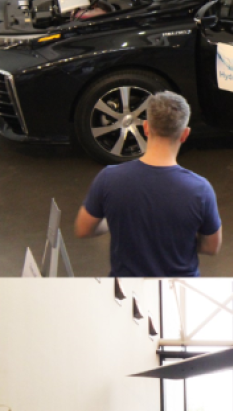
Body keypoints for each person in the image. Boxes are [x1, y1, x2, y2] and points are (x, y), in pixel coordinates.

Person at [74, 91, 222, 277]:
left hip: (126, 291)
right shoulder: (201, 189)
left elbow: (83, 229)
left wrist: (115, 221)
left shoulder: (109, 178)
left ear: (145, 127)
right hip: (180, 292)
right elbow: (211, 247)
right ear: (185, 134)